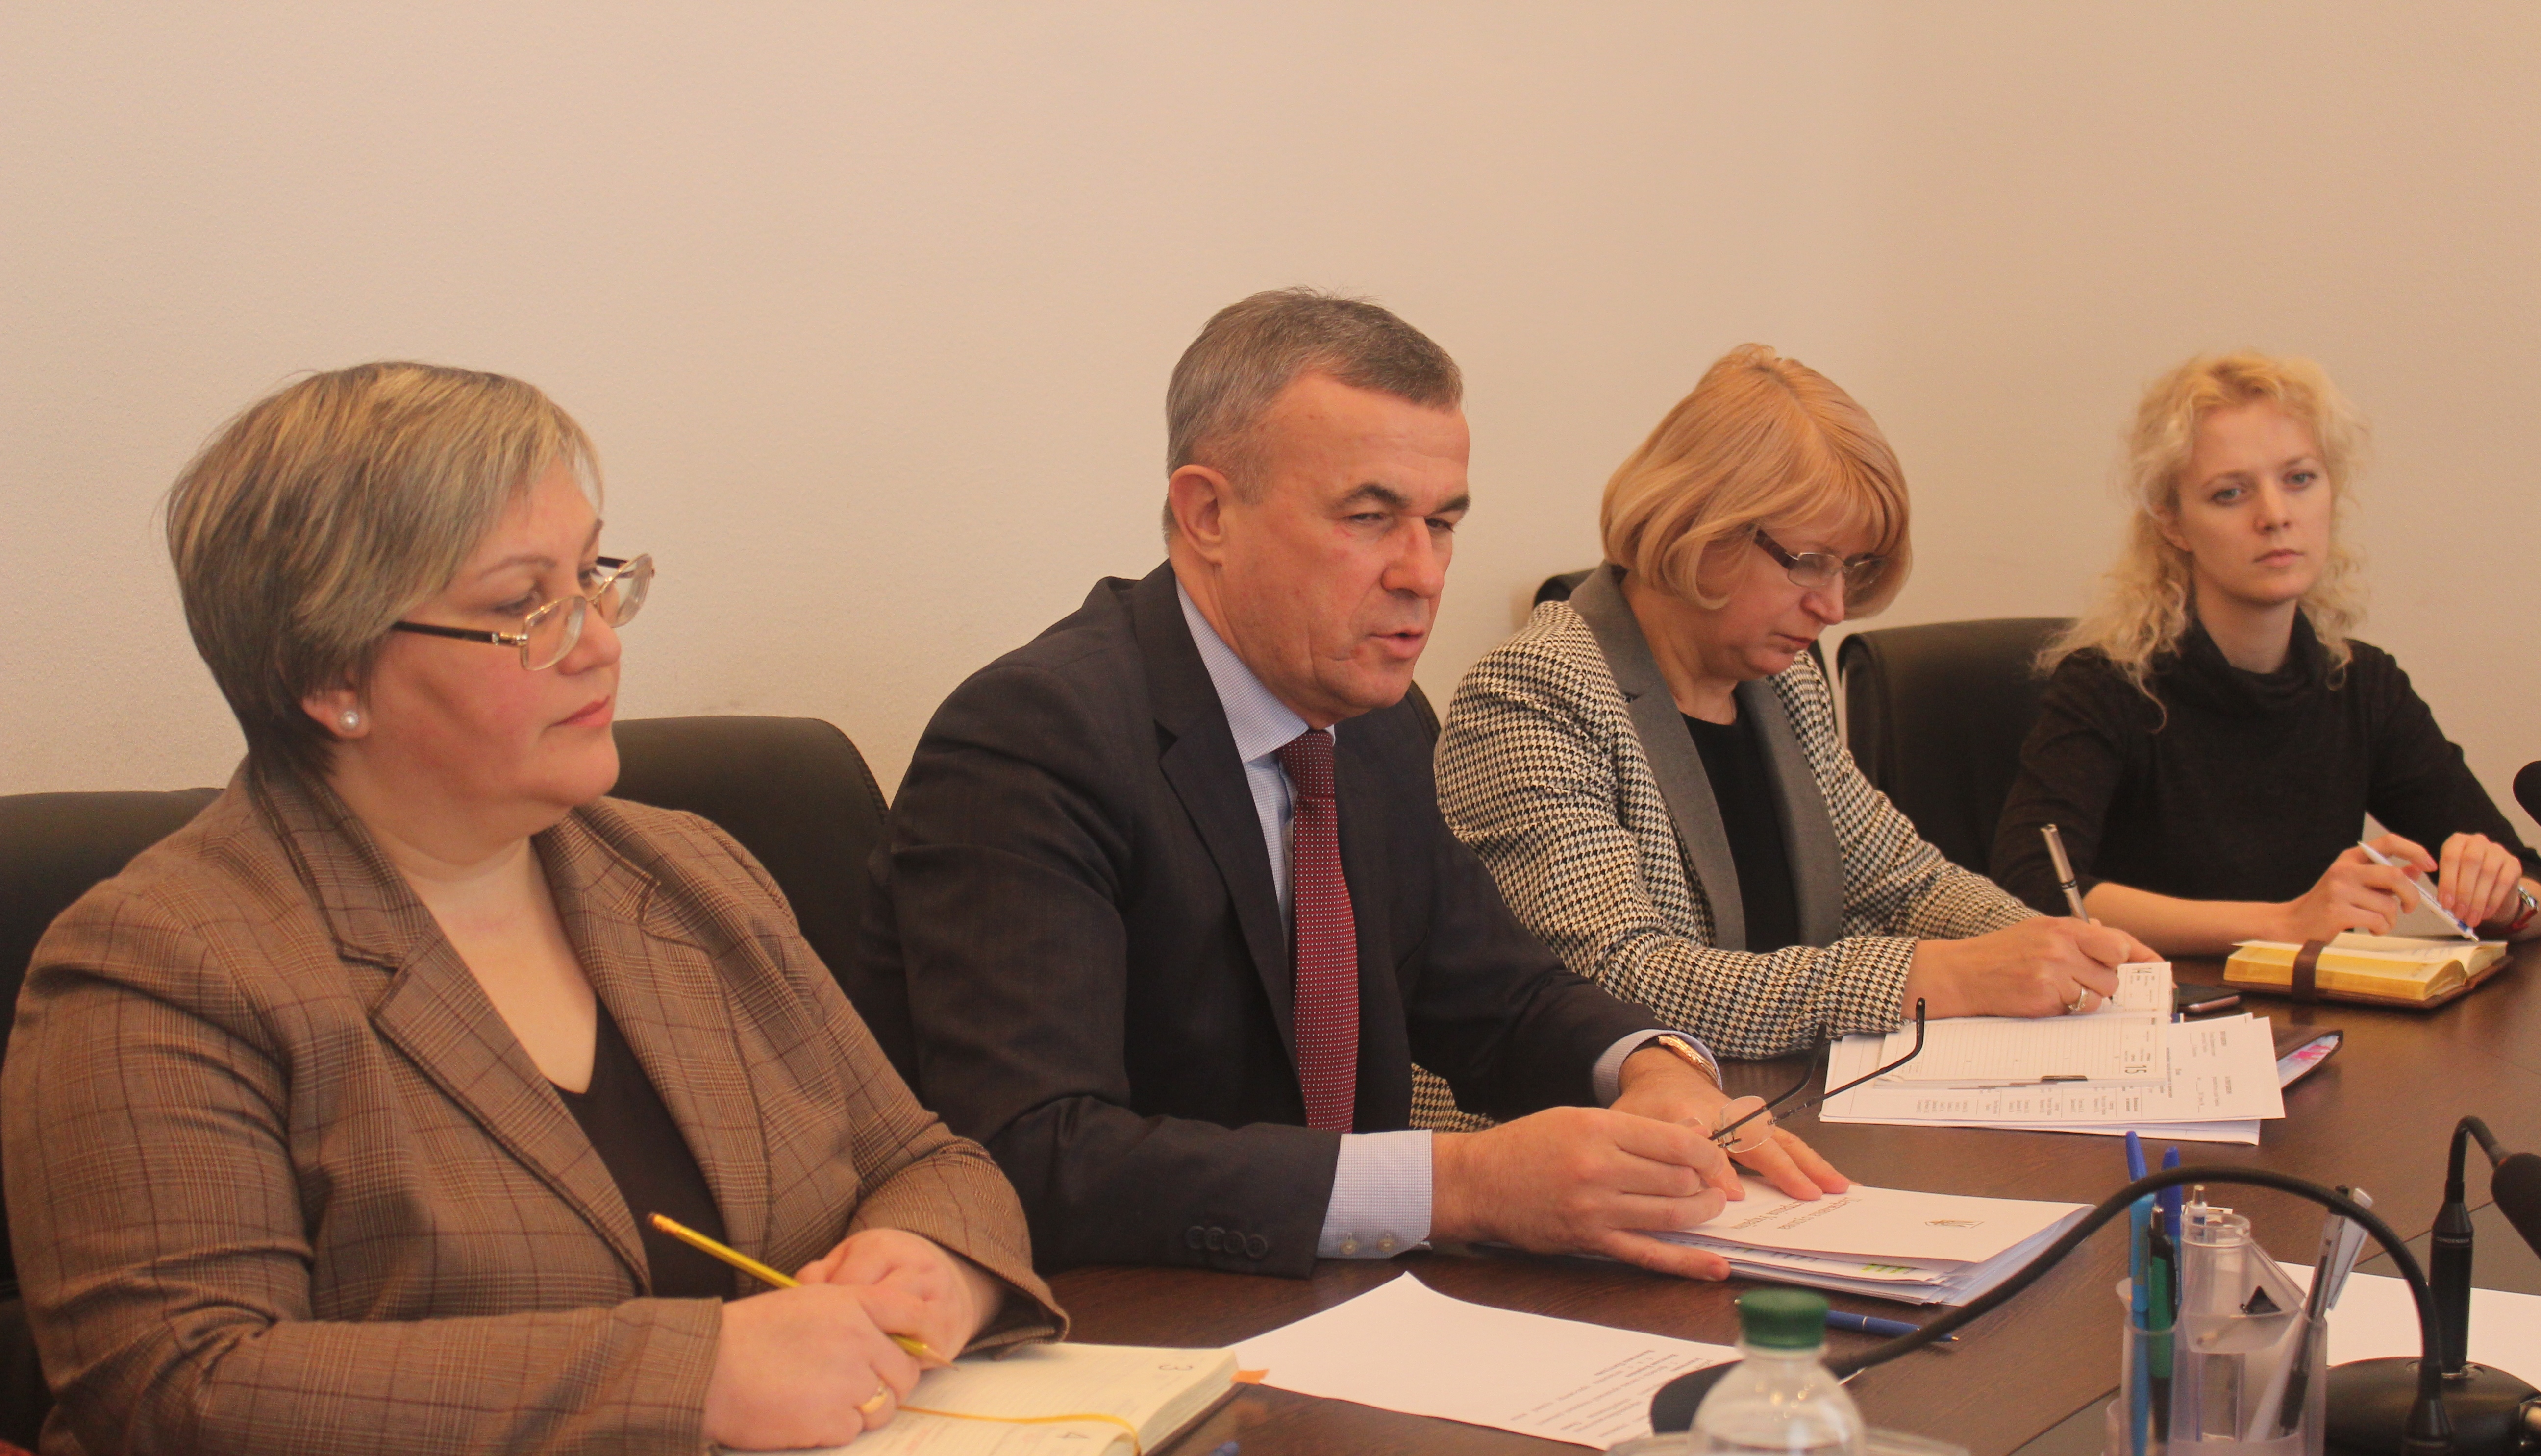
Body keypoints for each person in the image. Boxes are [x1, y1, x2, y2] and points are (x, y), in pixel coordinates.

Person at [2, 364, 1061, 1456]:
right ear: (328, 677)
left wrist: (934, 1264)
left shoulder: (688, 872)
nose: (599, 641)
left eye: (593, 579)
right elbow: (182, 1390)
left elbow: (929, 1163)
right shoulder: (159, 966)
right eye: (523, 608)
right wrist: (695, 1377)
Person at [850, 290, 1845, 1286]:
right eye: (1370, 519)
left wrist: (1647, 1067)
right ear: (1207, 515)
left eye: (1440, 523)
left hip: (1352, 1308)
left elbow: (1500, 995)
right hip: (1139, 1323)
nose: (1423, 574)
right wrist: (1459, 1184)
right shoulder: (1036, 737)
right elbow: (1035, 1154)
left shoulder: (1374, 722)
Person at [1430, 344, 2155, 1065]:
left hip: (1768, 1100)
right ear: (1700, 523)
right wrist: (1926, 977)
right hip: (1588, 1122)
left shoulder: (1782, 681)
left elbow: (1905, 884)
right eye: (1810, 563)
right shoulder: (1533, 692)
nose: (1833, 607)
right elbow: (1616, 978)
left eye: (1852, 568)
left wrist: (2057, 949)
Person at [1992, 351, 2541, 954]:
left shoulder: (2362, 684)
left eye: (2300, 479)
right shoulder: (2107, 684)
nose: (2276, 516)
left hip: (2318, 1009)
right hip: (2152, 1003)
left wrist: (2508, 900)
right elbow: (2032, 888)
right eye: (2230, 493)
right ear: (2172, 523)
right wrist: (2282, 923)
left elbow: (2530, 881)